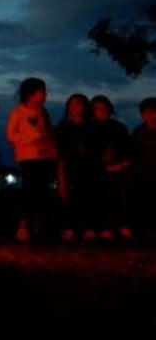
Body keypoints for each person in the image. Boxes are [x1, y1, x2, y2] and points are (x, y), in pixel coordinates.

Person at [5, 78, 58, 242]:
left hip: (45, 157)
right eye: (42, 92)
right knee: (29, 191)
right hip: (27, 158)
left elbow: (49, 134)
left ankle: (40, 226)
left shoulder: (43, 113)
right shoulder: (18, 113)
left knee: (43, 192)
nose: (45, 95)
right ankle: (24, 224)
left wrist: (52, 151)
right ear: (31, 94)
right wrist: (31, 137)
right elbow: (10, 135)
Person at [54, 93, 101, 242]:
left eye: (78, 103)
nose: (75, 107)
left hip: (90, 167)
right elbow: (59, 154)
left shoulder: (93, 127)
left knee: (90, 196)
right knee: (70, 196)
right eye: (72, 103)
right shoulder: (62, 129)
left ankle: (90, 227)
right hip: (70, 167)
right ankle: (69, 227)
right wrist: (60, 175)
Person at [90, 95, 134, 240]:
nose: (101, 111)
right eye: (97, 108)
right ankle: (105, 226)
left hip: (121, 169)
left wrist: (121, 164)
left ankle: (124, 225)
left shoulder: (118, 127)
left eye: (104, 108)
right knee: (102, 194)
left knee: (124, 193)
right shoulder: (89, 129)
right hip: (97, 171)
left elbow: (129, 150)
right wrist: (103, 166)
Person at [132, 97, 156, 235]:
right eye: (146, 112)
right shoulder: (139, 132)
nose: (150, 115)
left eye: (152, 111)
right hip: (144, 175)